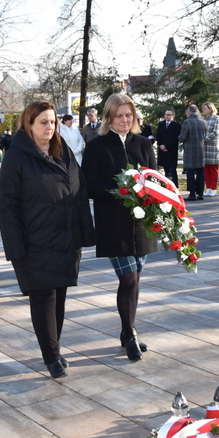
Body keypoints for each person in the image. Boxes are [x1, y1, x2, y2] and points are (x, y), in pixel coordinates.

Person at [0, 101, 95, 379]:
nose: (49, 127)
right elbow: (7, 205)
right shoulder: (17, 156)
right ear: (29, 124)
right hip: (34, 241)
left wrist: (84, 232)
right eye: (43, 122)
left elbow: (79, 188)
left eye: (52, 122)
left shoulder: (62, 151)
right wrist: (15, 247)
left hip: (65, 237)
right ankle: (51, 356)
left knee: (60, 296)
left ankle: (55, 348)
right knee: (44, 297)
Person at [82, 93, 157, 361]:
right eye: (119, 115)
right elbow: (89, 187)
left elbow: (154, 180)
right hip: (113, 224)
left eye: (129, 115)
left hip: (142, 224)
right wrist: (121, 190)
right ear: (108, 117)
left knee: (136, 278)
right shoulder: (96, 146)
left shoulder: (143, 144)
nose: (125, 120)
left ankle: (128, 333)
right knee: (128, 279)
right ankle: (130, 333)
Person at [179, 104, 206, 200]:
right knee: (200, 172)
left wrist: (178, 138)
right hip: (201, 150)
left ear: (189, 112)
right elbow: (205, 135)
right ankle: (201, 194)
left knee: (190, 172)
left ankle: (192, 194)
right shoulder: (203, 122)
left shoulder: (187, 122)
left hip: (190, 151)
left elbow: (182, 137)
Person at [155, 108, 181, 186]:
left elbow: (176, 138)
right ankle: (167, 186)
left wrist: (166, 145)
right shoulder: (161, 124)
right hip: (163, 150)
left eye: (169, 115)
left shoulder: (177, 125)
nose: (167, 116)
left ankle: (174, 186)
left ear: (173, 116)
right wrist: (161, 145)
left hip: (171, 150)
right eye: (166, 114)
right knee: (166, 170)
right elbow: (158, 136)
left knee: (172, 170)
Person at [201, 102, 219, 196]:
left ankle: (214, 188)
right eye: (203, 108)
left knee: (213, 168)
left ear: (210, 109)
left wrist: (206, 139)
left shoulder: (217, 118)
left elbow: (216, 132)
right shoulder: (201, 118)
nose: (204, 110)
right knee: (206, 168)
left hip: (213, 146)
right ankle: (208, 188)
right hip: (203, 146)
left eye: (205, 108)